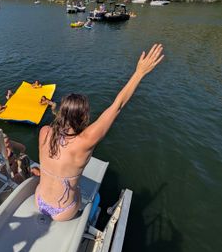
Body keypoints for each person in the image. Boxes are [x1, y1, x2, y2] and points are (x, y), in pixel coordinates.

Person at [35, 44, 164, 221]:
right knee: (81, 191)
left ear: (62, 113)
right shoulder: (85, 141)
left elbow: (59, 128)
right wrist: (139, 73)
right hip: (62, 212)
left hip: (39, 201)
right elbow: (117, 105)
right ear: (83, 117)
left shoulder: (44, 132)